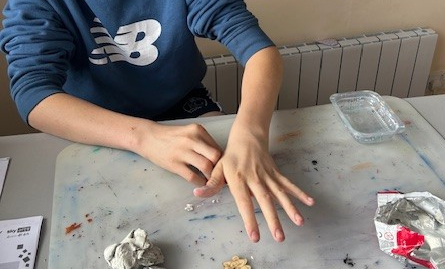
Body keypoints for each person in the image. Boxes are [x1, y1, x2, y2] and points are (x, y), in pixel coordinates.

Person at [0, 0, 315, 243]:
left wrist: (251, 132)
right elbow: (34, 95)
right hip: (98, 125)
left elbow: (260, 51)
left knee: (224, 195)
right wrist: (143, 137)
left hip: (182, 105)